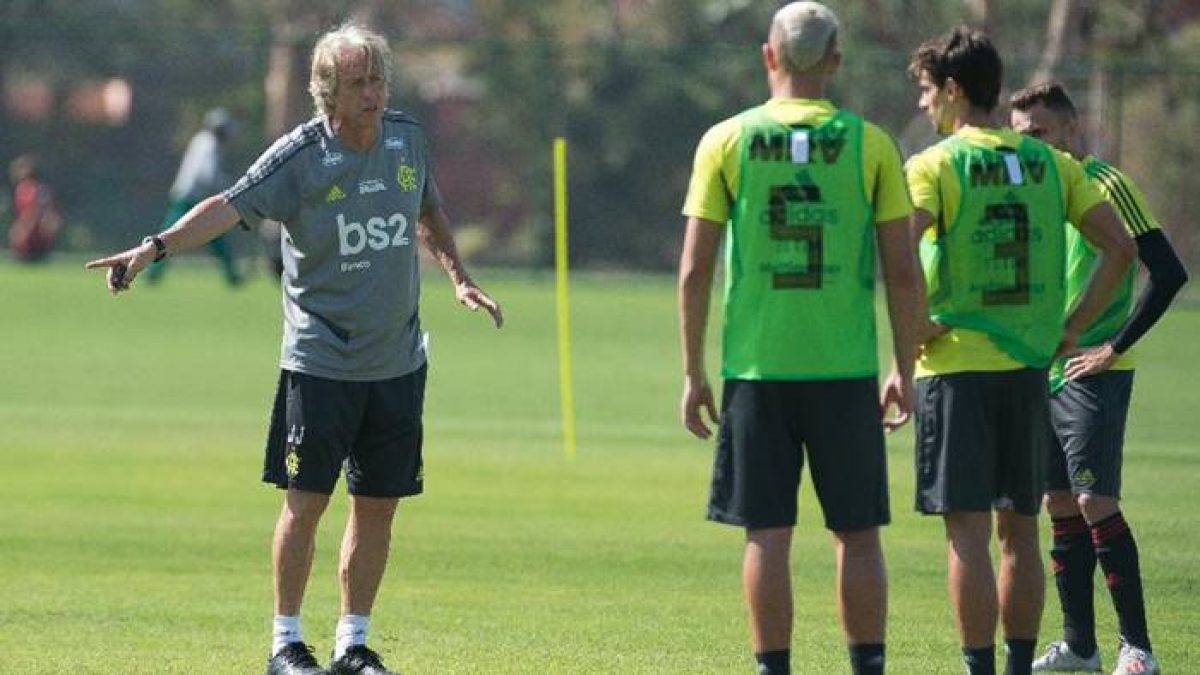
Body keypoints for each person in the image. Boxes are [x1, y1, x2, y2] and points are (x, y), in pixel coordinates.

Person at [87, 23, 502, 675]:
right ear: (327, 93)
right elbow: (226, 206)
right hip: (321, 363)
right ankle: (285, 643)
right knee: (306, 503)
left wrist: (460, 277)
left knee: (379, 506)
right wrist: (156, 246)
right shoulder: (300, 158)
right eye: (358, 82)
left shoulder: (408, 140)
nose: (372, 92)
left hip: (397, 363)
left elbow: (429, 209)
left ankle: (353, 644)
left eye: (378, 79)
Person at [678, 3, 933, 673]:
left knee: (767, 533)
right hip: (845, 368)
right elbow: (902, 272)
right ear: (836, 61)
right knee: (858, 533)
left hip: (757, 370)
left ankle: (773, 667)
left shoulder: (725, 140)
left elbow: (694, 268)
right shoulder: (872, 142)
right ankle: (868, 664)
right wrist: (903, 365)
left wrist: (692, 370)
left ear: (769, 56)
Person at [901, 28, 1136, 675]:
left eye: (926, 91)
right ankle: (1018, 665)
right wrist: (1070, 328)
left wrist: (913, 328)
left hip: (955, 368)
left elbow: (897, 252)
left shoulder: (934, 164)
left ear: (953, 91)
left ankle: (979, 669)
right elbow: (1122, 250)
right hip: (1032, 372)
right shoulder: (1054, 165)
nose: (924, 106)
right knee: (1021, 532)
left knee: (968, 535)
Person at [1010, 83, 1187, 675]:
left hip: (1093, 371)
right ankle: (1079, 646)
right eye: (1020, 135)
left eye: (1038, 132)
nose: (1029, 143)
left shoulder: (1106, 184)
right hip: (1043, 368)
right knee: (1057, 502)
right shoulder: (1030, 193)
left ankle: (1137, 648)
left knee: (1093, 499)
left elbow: (1166, 272)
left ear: (1069, 129)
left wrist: (1114, 345)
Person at [145, 107, 243, 285]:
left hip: (191, 197)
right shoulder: (208, 144)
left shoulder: (204, 142)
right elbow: (207, 174)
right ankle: (152, 272)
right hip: (188, 198)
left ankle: (231, 275)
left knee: (212, 237)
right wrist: (228, 187)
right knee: (168, 237)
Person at [7, 154, 61, 262]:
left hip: (34, 237)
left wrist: (22, 230)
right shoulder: (39, 188)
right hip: (39, 236)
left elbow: (33, 211)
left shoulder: (28, 188)